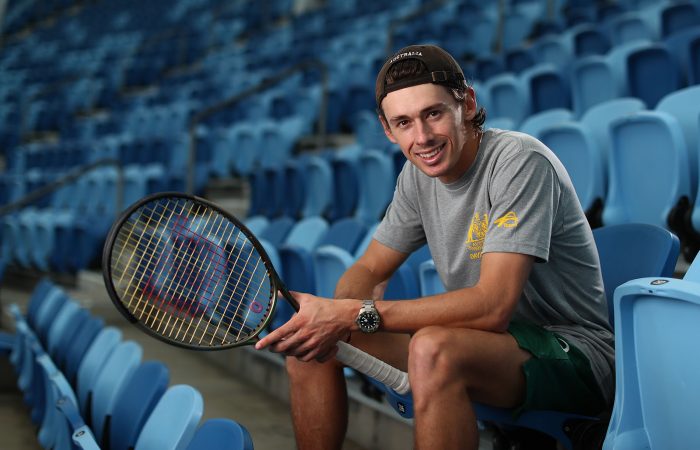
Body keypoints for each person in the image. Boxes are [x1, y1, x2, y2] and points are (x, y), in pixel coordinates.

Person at [256, 44, 614, 450]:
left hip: (575, 357)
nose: (422, 137)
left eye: (434, 113)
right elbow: (370, 269)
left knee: (432, 348)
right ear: (388, 129)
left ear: (467, 103)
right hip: (488, 347)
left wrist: (356, 314)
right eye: (404, 123)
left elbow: (493, 305)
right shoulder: (417, 175)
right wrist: (336, 320)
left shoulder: (520, 161)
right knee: (310, 343)